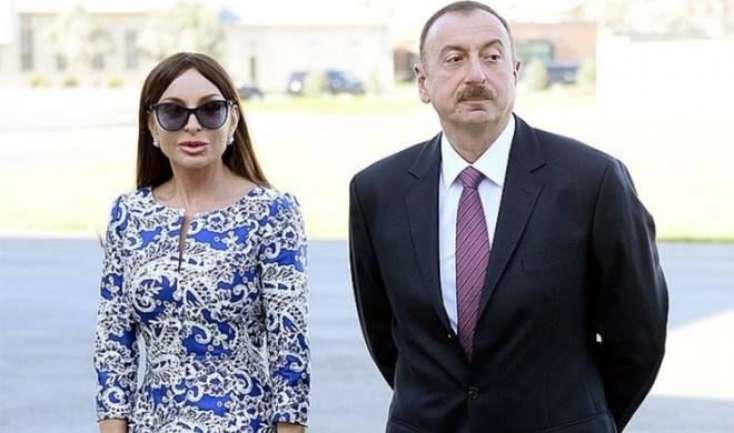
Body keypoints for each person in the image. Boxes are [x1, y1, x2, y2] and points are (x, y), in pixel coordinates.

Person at [348, 2, 668, 433]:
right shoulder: (376, 192)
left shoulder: (593, 182)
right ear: (423, 82)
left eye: (492, 56)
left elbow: (638, 339)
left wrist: (585, 418)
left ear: (514, 72)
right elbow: (387, 338)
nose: (476, 75)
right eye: (455, 59)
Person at [94, 52, 309, 433]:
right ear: (152, 125)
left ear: (233, 120)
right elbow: (113, 345)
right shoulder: (128, 214)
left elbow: (289, 348)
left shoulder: (272, 212)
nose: (192, 126)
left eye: (210, 110)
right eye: (173, 112)